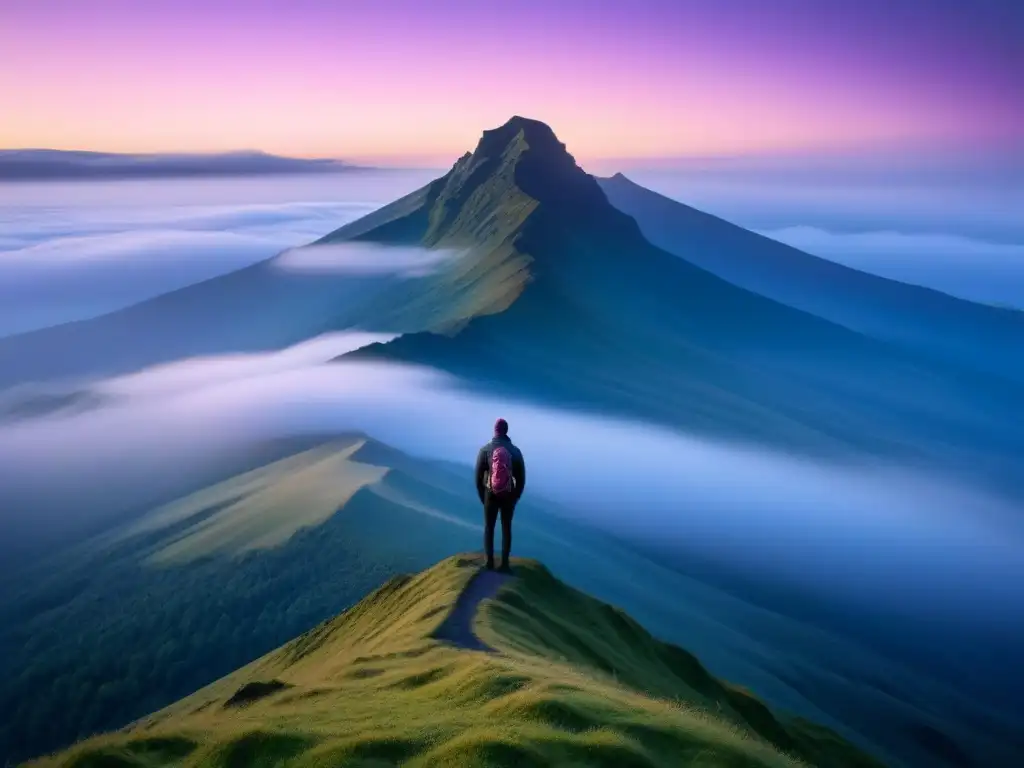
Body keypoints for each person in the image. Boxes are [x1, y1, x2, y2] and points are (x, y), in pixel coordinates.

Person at [475, 418, 526, 572]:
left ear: (495, 430)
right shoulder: (515, 452)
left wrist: (483, 498)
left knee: (489, 528)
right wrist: (515, 498)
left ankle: (489, 562)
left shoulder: (485, 450)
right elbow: (521, 479)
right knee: (506, 528)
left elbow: (478, 478)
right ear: (506, 431)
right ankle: (504, 564)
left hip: (490, 494)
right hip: (508, 495)